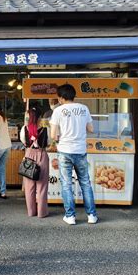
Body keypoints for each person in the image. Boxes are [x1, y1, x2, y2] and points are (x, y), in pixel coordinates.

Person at [50, 84, 98, 225]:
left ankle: (70, 216)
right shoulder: (84, 109)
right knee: (85, 183)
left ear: (61, 97)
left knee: (66, 184)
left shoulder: (58, 111)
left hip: (65, 151)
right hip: (81, 150)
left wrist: (61, 137)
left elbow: (53, 135)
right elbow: (91, 128)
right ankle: (92, 215)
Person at [20, 107, 49, 218]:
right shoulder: (45, 129)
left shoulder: (24, 129)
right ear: (39, 118)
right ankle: (42, 212)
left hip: (28, 155)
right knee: (42, 186)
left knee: (29, 186)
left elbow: (23, 141)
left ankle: (31, 212)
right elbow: (48, 142)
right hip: (42, 155)